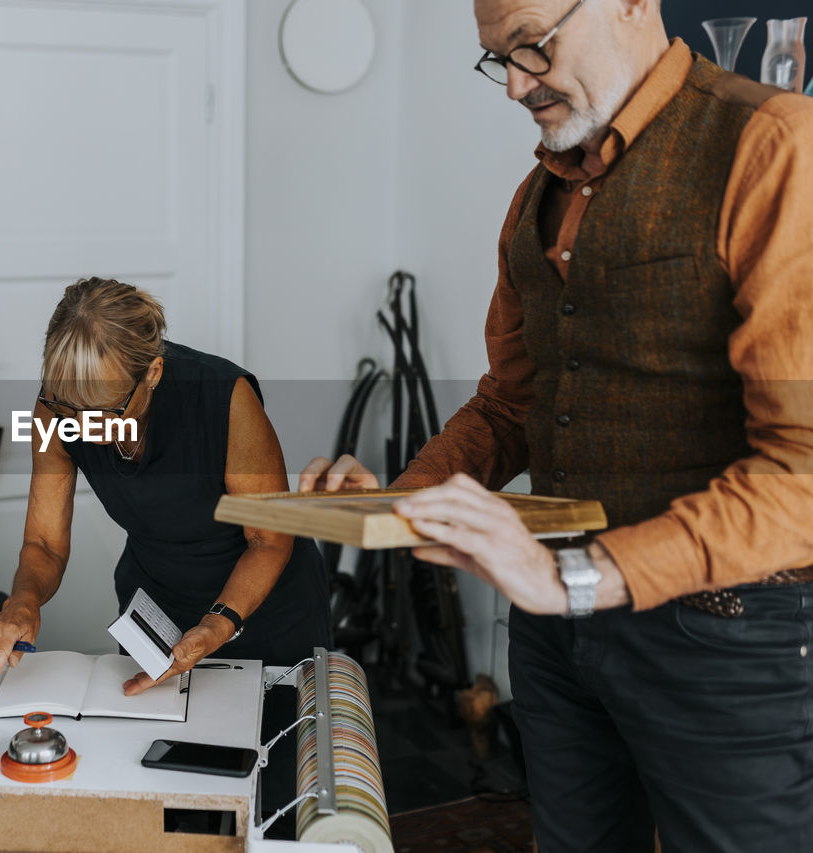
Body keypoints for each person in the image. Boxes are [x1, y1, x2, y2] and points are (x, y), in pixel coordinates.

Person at [302, 0, 813, 850]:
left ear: (630, 4)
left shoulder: (772, 145)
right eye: (496, 59)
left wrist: (574, 579)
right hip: (558, 632)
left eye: (532, 47)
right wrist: (396, 500)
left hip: (728, 637)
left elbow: (802, 473)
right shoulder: (538, 195)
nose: (512, 85)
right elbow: (514, 405)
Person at [0, 277, 331, 696]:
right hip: (156, 608)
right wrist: (22, 603)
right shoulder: (55, 410)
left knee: (272, 744)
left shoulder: (223, 397)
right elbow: (45, 544)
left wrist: (216, 625)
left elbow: (267, 539)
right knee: (152, 745)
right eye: (71, 410)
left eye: (105, 411)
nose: (85, 426)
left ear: (153, 373)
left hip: (262, 606)